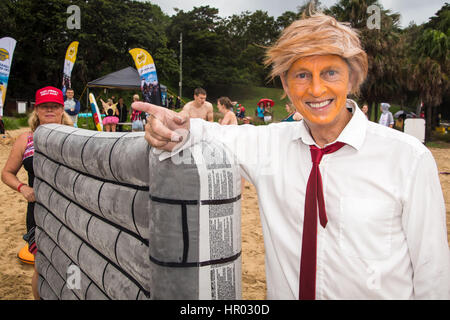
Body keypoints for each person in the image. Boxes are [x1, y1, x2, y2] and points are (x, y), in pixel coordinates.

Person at [133, 13, 449, 299]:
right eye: (301, 75)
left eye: (330, 73)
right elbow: (199, 132)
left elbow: (432, 274)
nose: (315, 89)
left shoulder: (408, 159)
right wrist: (171, 130)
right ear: (284, 83)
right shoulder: (268, 145)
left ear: (352, 79)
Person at [1, 86, 73, 300]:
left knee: (70, 266)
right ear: (37, 110)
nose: (49, 110)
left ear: (62, 109)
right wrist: (23, 188)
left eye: (54, 106)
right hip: (38, 213)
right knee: (41, 267)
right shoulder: (26, 139)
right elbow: (7, 173)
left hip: (70, 213)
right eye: (44, 106)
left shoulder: (77, 138)